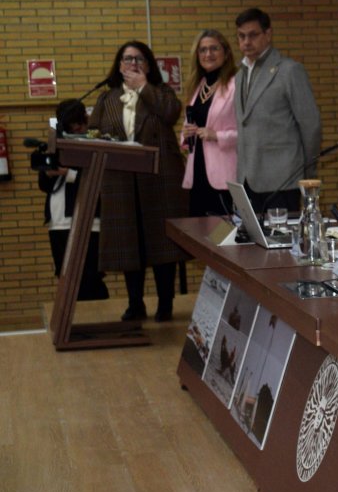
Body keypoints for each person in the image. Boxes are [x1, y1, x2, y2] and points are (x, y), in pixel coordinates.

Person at [88, 41, 187, 322]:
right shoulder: (107, 99)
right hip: (120, 181)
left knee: (161, 245)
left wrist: (144, 87)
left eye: (139, 59)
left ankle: (165, 304)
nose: (133, 63)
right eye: (127, 59)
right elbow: (93, 132)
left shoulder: (162, 93)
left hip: (159, 179)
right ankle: (135, 303)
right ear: (119, 65)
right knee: (129, 244)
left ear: (149, 65)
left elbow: (170, 114)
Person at [233, 7, 321, 213]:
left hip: (283, 179)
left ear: (268, 34)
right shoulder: (239, 74)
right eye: (241, 36)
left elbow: (310, 124)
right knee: (251, 243)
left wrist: (307, 171)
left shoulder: (289, 70)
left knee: (281, 243)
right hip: (247, 177)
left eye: (253, 35)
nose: (246, 42)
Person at [38, 99, 108, 301]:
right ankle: (75, 324)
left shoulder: (94, 144)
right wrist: (49, 174)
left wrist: (67, 173)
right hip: (57, 220)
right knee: (65, 276)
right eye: (71, 124)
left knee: (90, 276)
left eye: (79, 123)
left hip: (88, 220)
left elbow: (98, 181)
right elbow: (43, 185)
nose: (76, 128)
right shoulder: (54, 145)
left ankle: (97, 321)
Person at [180, 29, 238, 217]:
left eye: (214, 48)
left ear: (226, 53)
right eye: (203, 50)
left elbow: (250, 132)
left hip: (224, 175)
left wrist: (217, 135)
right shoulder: (197, 85)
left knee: (223, 235)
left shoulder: (236, 84)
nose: (208, 54)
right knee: (199, 234)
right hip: (197, 172)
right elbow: (187, 125)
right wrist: (185, 133)